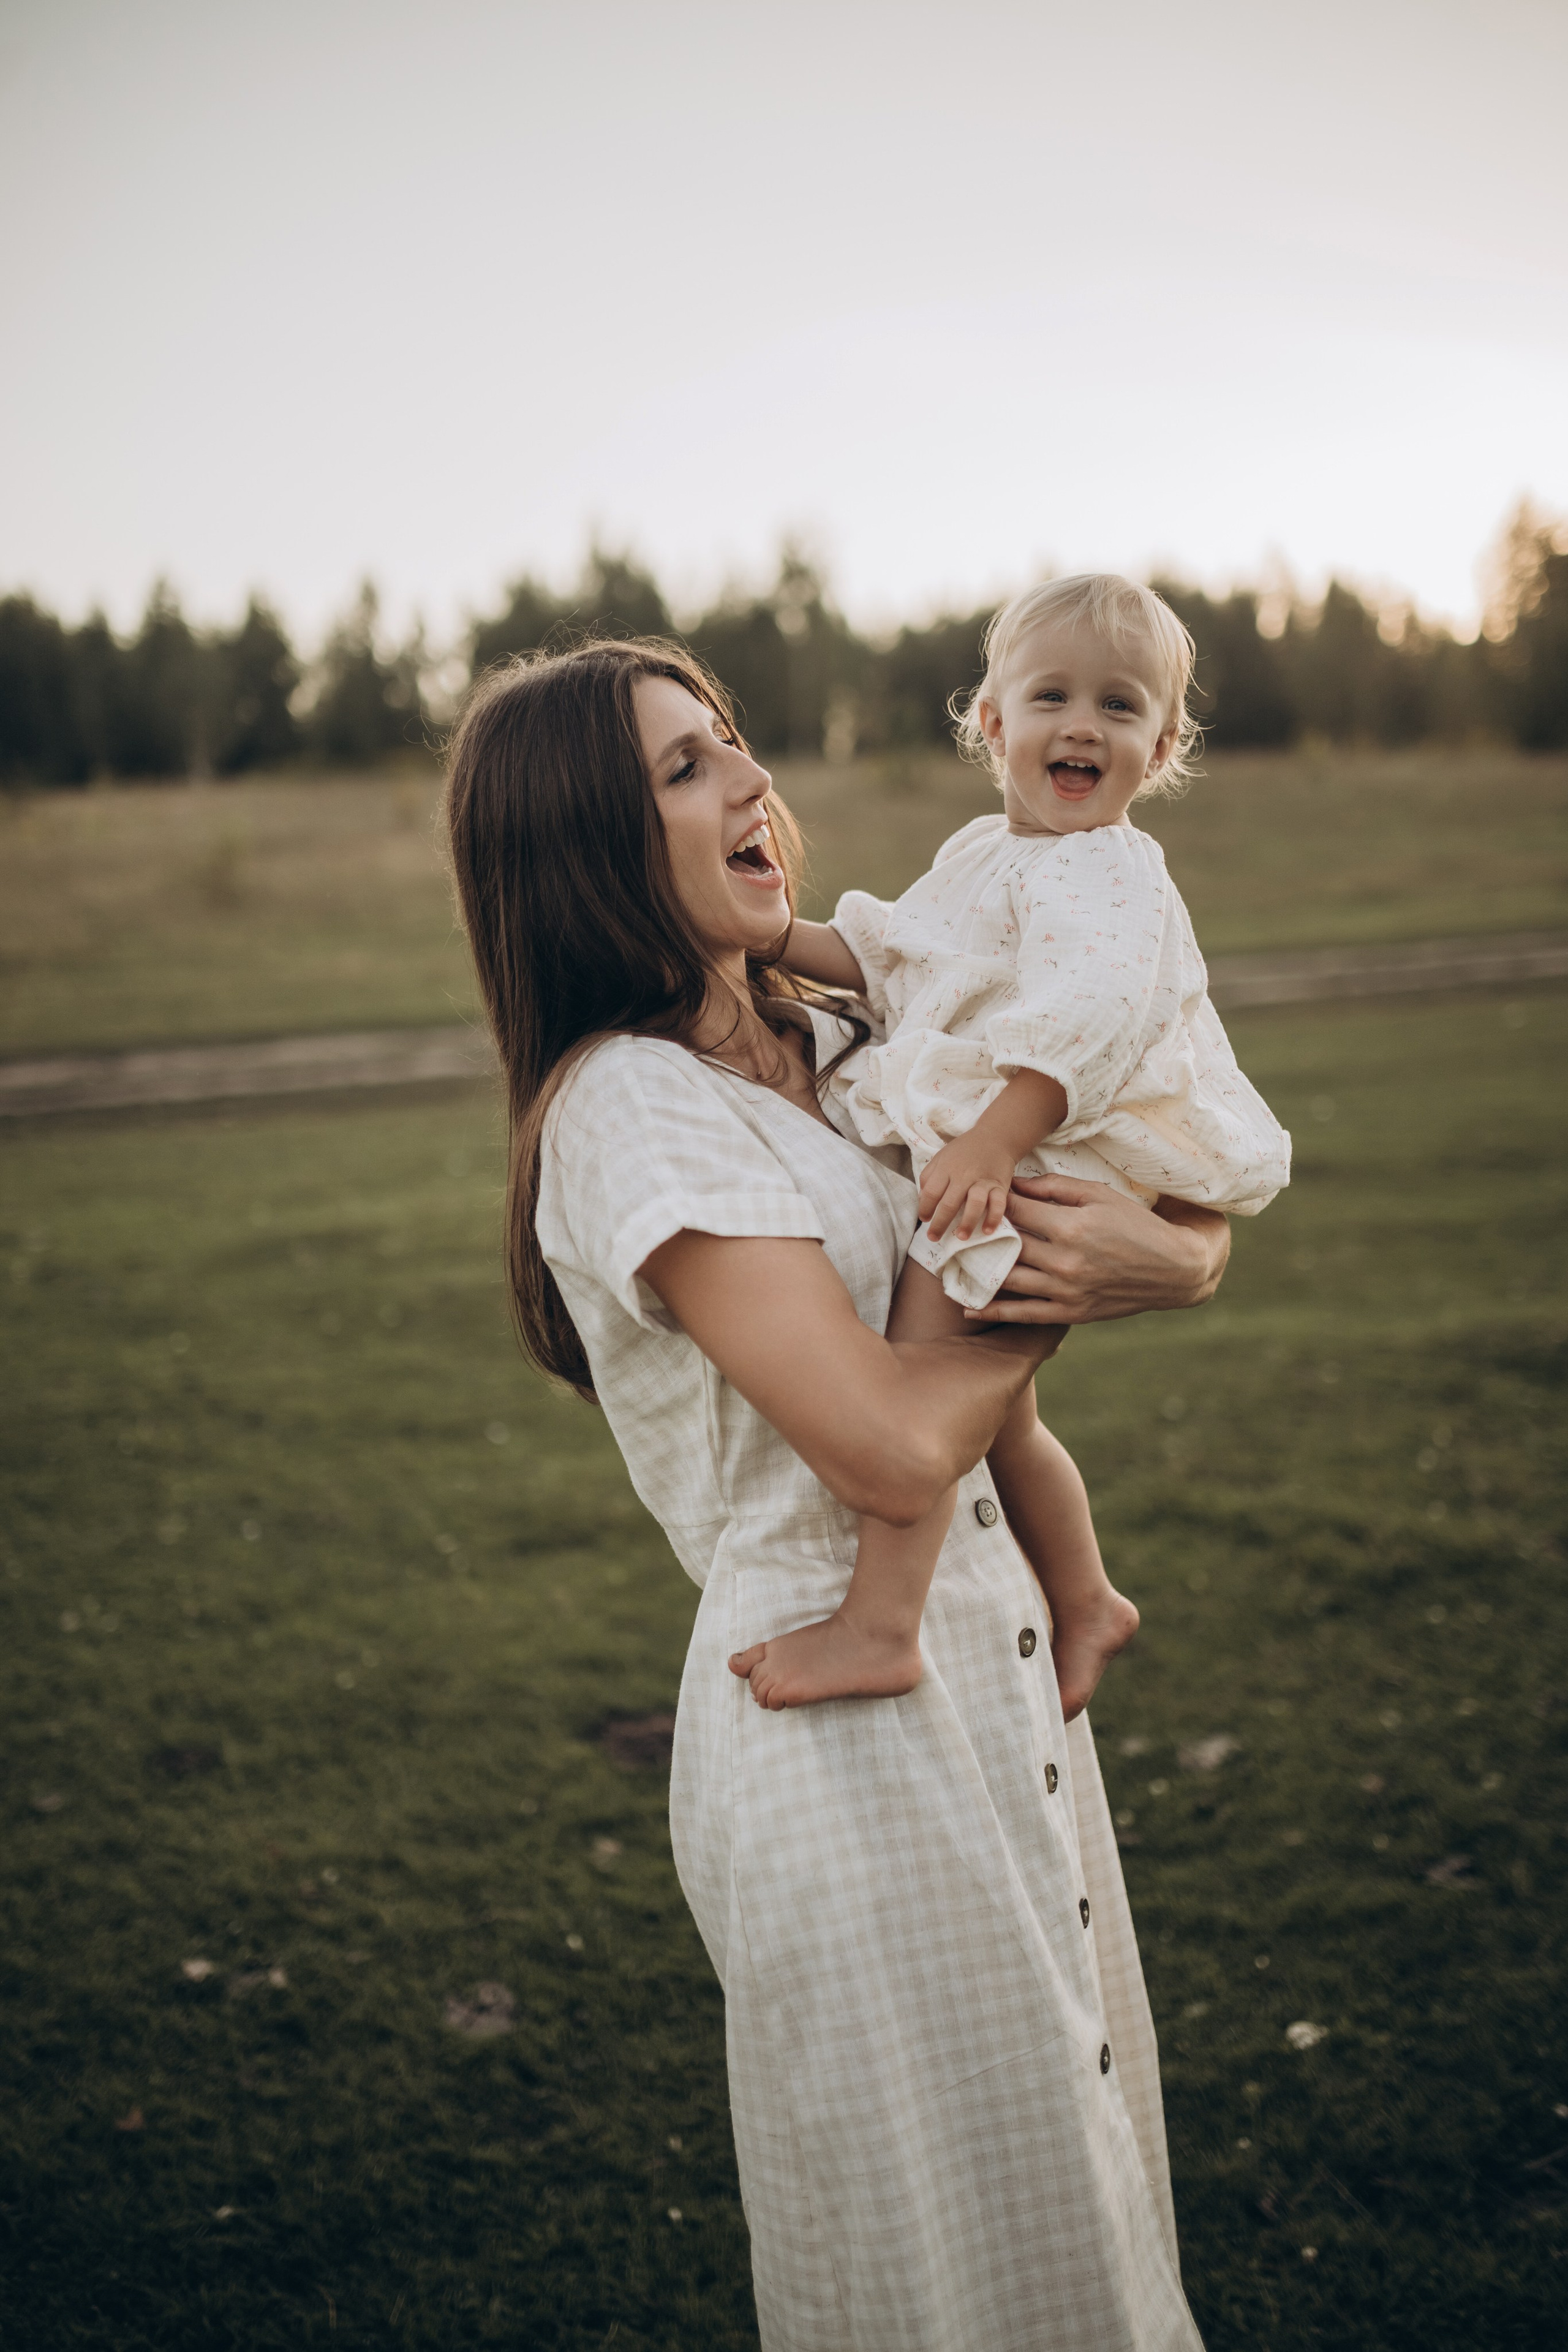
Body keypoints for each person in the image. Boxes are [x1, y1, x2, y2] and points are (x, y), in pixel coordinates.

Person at [445, 636, 1223, 2350]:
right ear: (584, 847)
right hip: (836, 1729)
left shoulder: (839, 1023)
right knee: (935, 2273)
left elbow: (1125, 1157)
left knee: (1077, 2212)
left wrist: (1180, 1263)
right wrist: (1091, 1284)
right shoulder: (628, 1110)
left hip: (994, 1677)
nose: (751, 785)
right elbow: (879, 1444)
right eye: (682, 769)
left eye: (731, 743)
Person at [736, 575, 1291, 1716]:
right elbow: (900, 956)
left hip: (1050, 1148)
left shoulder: (1113, 873)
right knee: (1006, 1415)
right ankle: (1086, 1598)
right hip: (1014, 1138)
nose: (1083, 724)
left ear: (1163, 745)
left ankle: (880, 1626)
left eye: (1121, 706)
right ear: (993, 724)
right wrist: (772, 939)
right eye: (1052, 696)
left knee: (926, 1368)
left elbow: (1084, 1026)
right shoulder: (989, 851)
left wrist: (992, 1145)